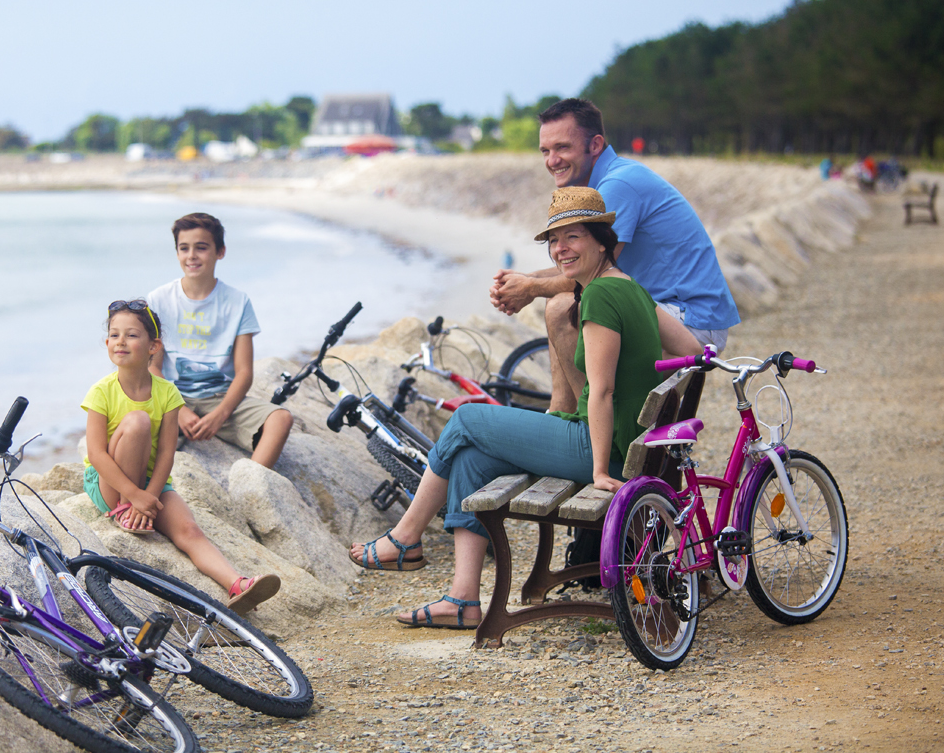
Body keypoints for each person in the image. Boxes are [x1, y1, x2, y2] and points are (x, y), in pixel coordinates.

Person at [351, 189, 699, 628]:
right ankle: (463, 601)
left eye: (572, 236)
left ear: (601, 241)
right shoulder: (631, 288)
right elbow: (692, 350)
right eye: (554, 240)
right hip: (632, 445)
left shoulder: (598, 298)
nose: (560, 249)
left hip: (604, 450)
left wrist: (597, 470)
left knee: (464, 419)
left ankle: (405, 537)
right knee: (472, 456)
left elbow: (604, 391)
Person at [490, 98, 737, 413]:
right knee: (569, 304)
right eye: (545, 151)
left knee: (564, 306)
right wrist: (520, 281)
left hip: (690, 322)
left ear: (595, 145)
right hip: (665, 309)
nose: (552, 160)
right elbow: (580, 267)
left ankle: (589, 425)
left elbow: (586, 276)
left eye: (562, 148)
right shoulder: (606, 183)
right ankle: (562, 413)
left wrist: (530, 288)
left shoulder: (617, 185)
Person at [82, 298, 280, 613]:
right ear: (107, 343)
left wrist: (150, 494)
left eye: (132, 335)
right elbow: (95, 454)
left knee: (189, 530)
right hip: (111, 484)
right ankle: (125, 510)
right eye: (115, 335)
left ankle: (237, 585)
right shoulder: (101, 392)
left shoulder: (167, 393)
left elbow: (165, 453)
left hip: (150, 483)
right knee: (137, 421)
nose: (121, 341)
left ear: (153, 346)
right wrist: (133, 495)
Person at [148, 212, 294, 469]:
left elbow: (244, 372)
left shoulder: (238, 302)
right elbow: (152, 367)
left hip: (221, 399)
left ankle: (250, 485)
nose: (191, 255)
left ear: (220, 252)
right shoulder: (159, 300)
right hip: (171, 397)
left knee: (280, 419)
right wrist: (178, 410)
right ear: (177, 253)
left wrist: (221, 414)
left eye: (201, 248)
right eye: (184, 248)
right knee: (132, 423)